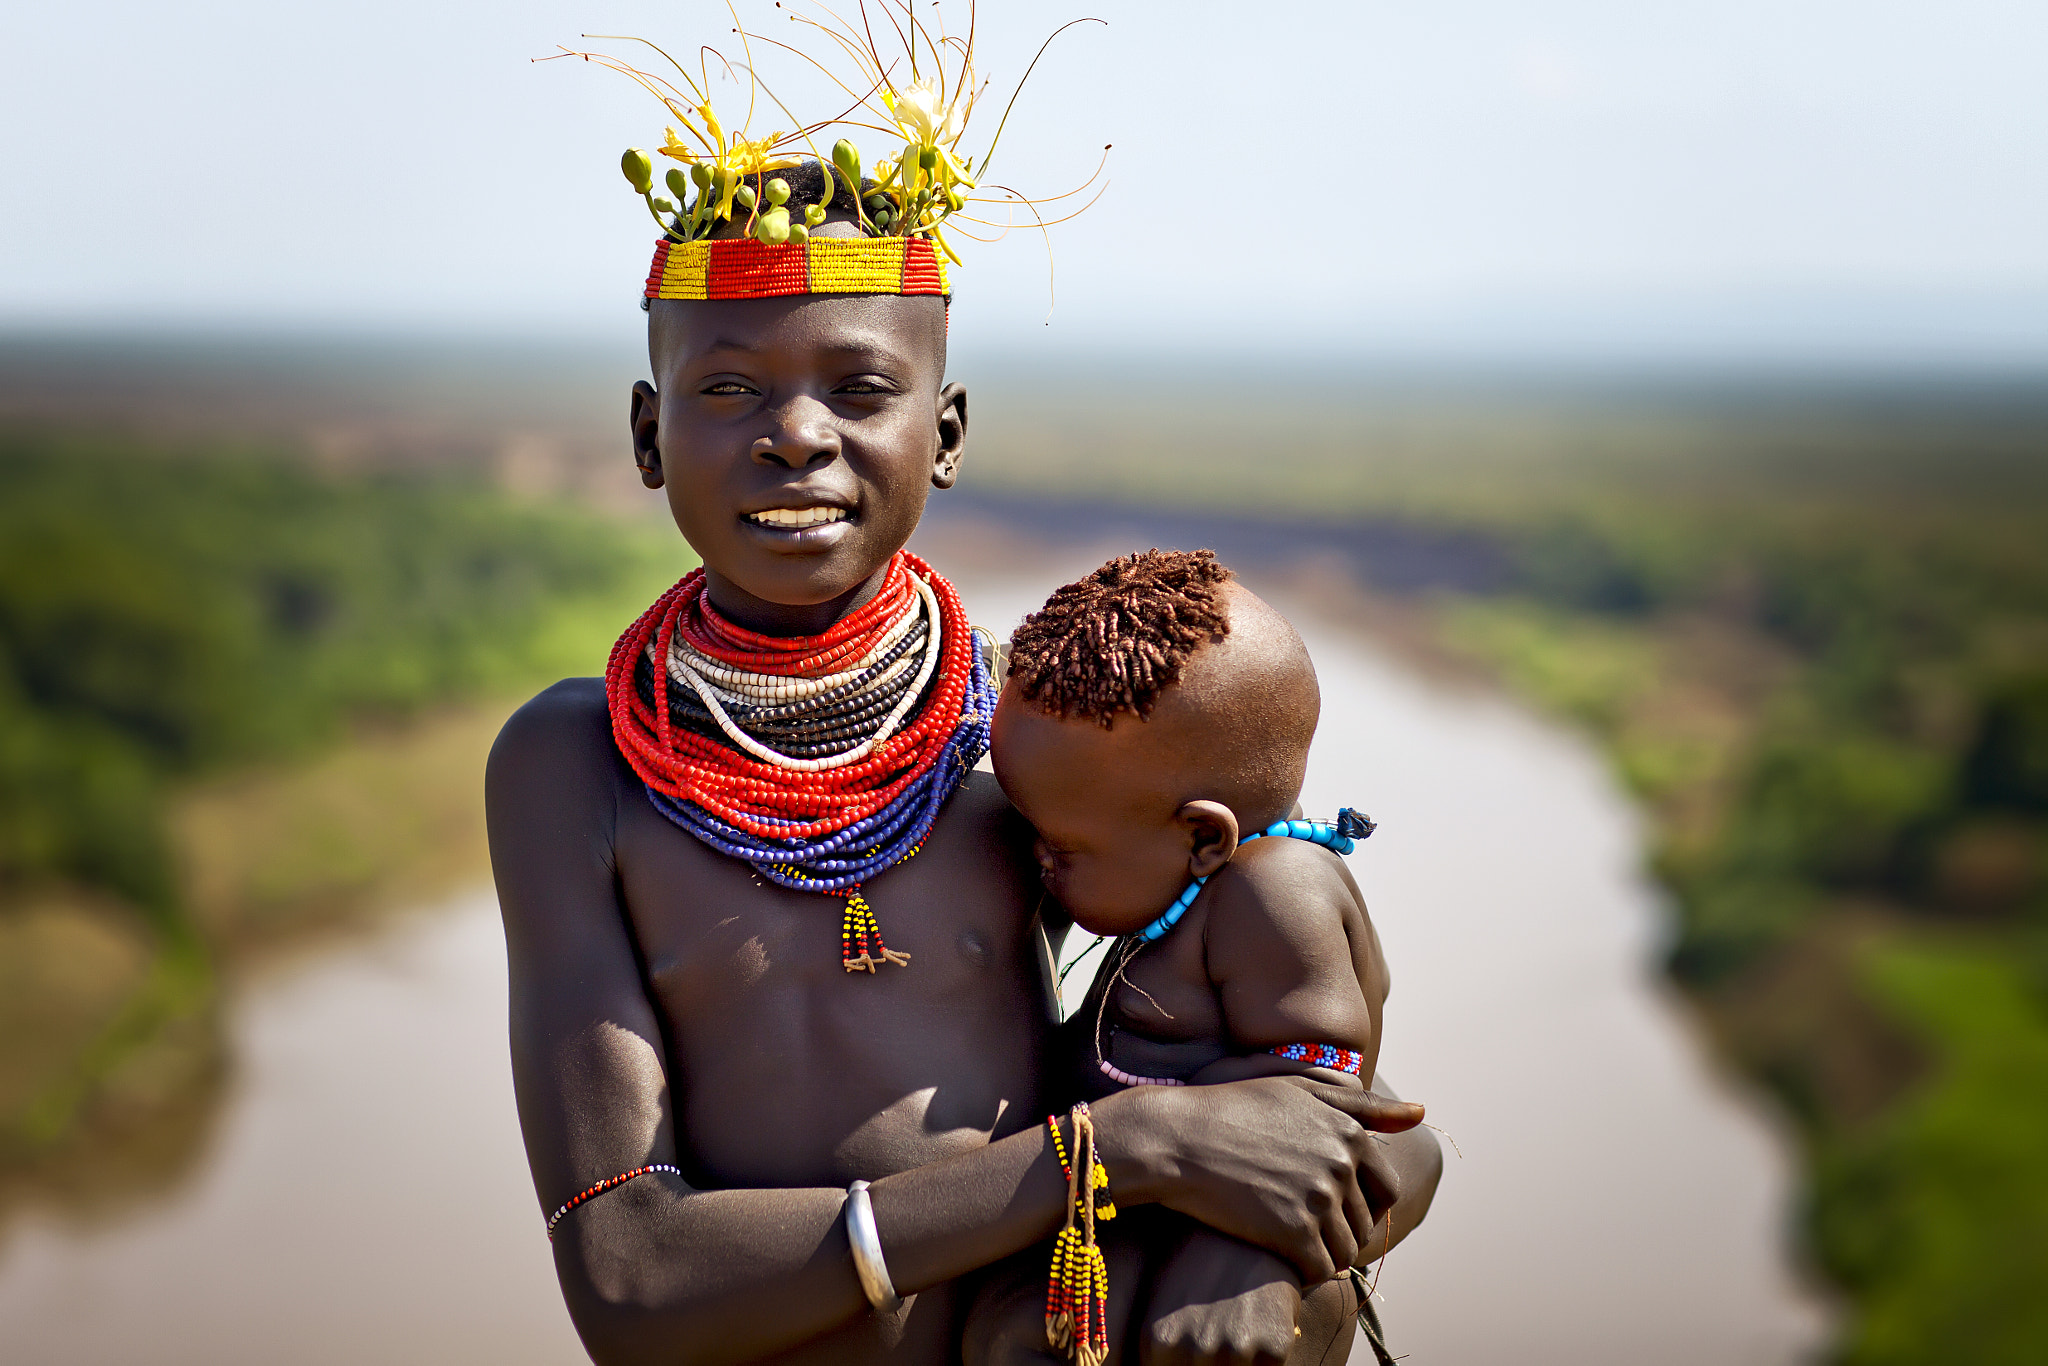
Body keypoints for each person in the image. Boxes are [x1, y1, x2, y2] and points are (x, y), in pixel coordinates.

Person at [487, 14, 1440, 1363]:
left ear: (945, 437)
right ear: (649, 436)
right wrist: (1122, 1151)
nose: (795, 434)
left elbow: (1355, 1127)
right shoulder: (574, 766)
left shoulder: (1023, 729)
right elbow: (632, 1284)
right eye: (728, 388)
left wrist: (1237, 1231)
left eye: (860, 388)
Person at [967, 549, 1398, 1366]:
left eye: (1060, 846)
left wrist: (1185, 1140)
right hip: (1144, 1183)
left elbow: (1320, 1081)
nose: (1034, 861)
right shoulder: (1188, 880)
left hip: (1211, 1207)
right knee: (1017, 1332)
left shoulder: (1276, 894)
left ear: (1204, 836)